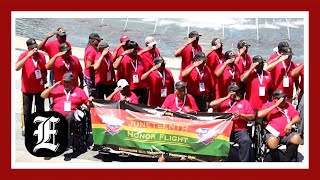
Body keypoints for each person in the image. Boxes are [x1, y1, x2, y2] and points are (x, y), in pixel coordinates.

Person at [40, 72, 90, 148]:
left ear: (73, 82)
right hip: (56, 114)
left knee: (69, 116)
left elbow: (88, 103)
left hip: (70, 116)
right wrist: (52, 87)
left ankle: (65, 140)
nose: (66, 84)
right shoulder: (58, 88)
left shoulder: (79, 91)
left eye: (68, 82)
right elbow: (43, 95)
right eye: (65, 82)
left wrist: (91, 100)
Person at [209, 83, 255, 162]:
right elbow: (211, 104)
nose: (237, 93)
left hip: (239, 130)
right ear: (230, 92)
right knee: (211, 138)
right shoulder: (224, 102)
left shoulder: (244, 102)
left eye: (238, 91)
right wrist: (227, 97)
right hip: (224, 130)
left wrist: (241, 115)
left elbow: (252, 116)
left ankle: (244, 163)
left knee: (246, 141)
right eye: (234, 91)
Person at [257, 89, 301, 162]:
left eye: (284, 97)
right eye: (281, 98)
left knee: (296, 138)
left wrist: (290, 123)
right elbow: (259, 115)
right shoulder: (268, 105)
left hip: (287, 133)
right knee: (272, 141)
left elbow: (297, 118)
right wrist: (275, 105)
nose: (284, 100)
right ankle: (276, 162)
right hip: (272, 133)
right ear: (275, 99)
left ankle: (287, 161)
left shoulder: (288, 105)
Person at [15, 38, 47, 136]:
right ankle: (26, 127)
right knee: (27, 110)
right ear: (28, 48)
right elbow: (17, 67)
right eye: (32, 48)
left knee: (40, 109)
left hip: (39, 88)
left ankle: (40, 126)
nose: (35, 49)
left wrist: (44, 79)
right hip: (27, 88)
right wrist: (27, 57)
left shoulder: (41, 56)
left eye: (36, 47)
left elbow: (44, 69)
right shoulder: (24, 55)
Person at [84, 33, 103, 97]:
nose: (99, 42)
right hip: (90, 76)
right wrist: (97, 65)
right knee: (92, 95)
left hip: (91, 75)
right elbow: (88, 65)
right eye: (98, 40)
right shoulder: (91, 50)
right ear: (93, 40)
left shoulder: (92, 48)